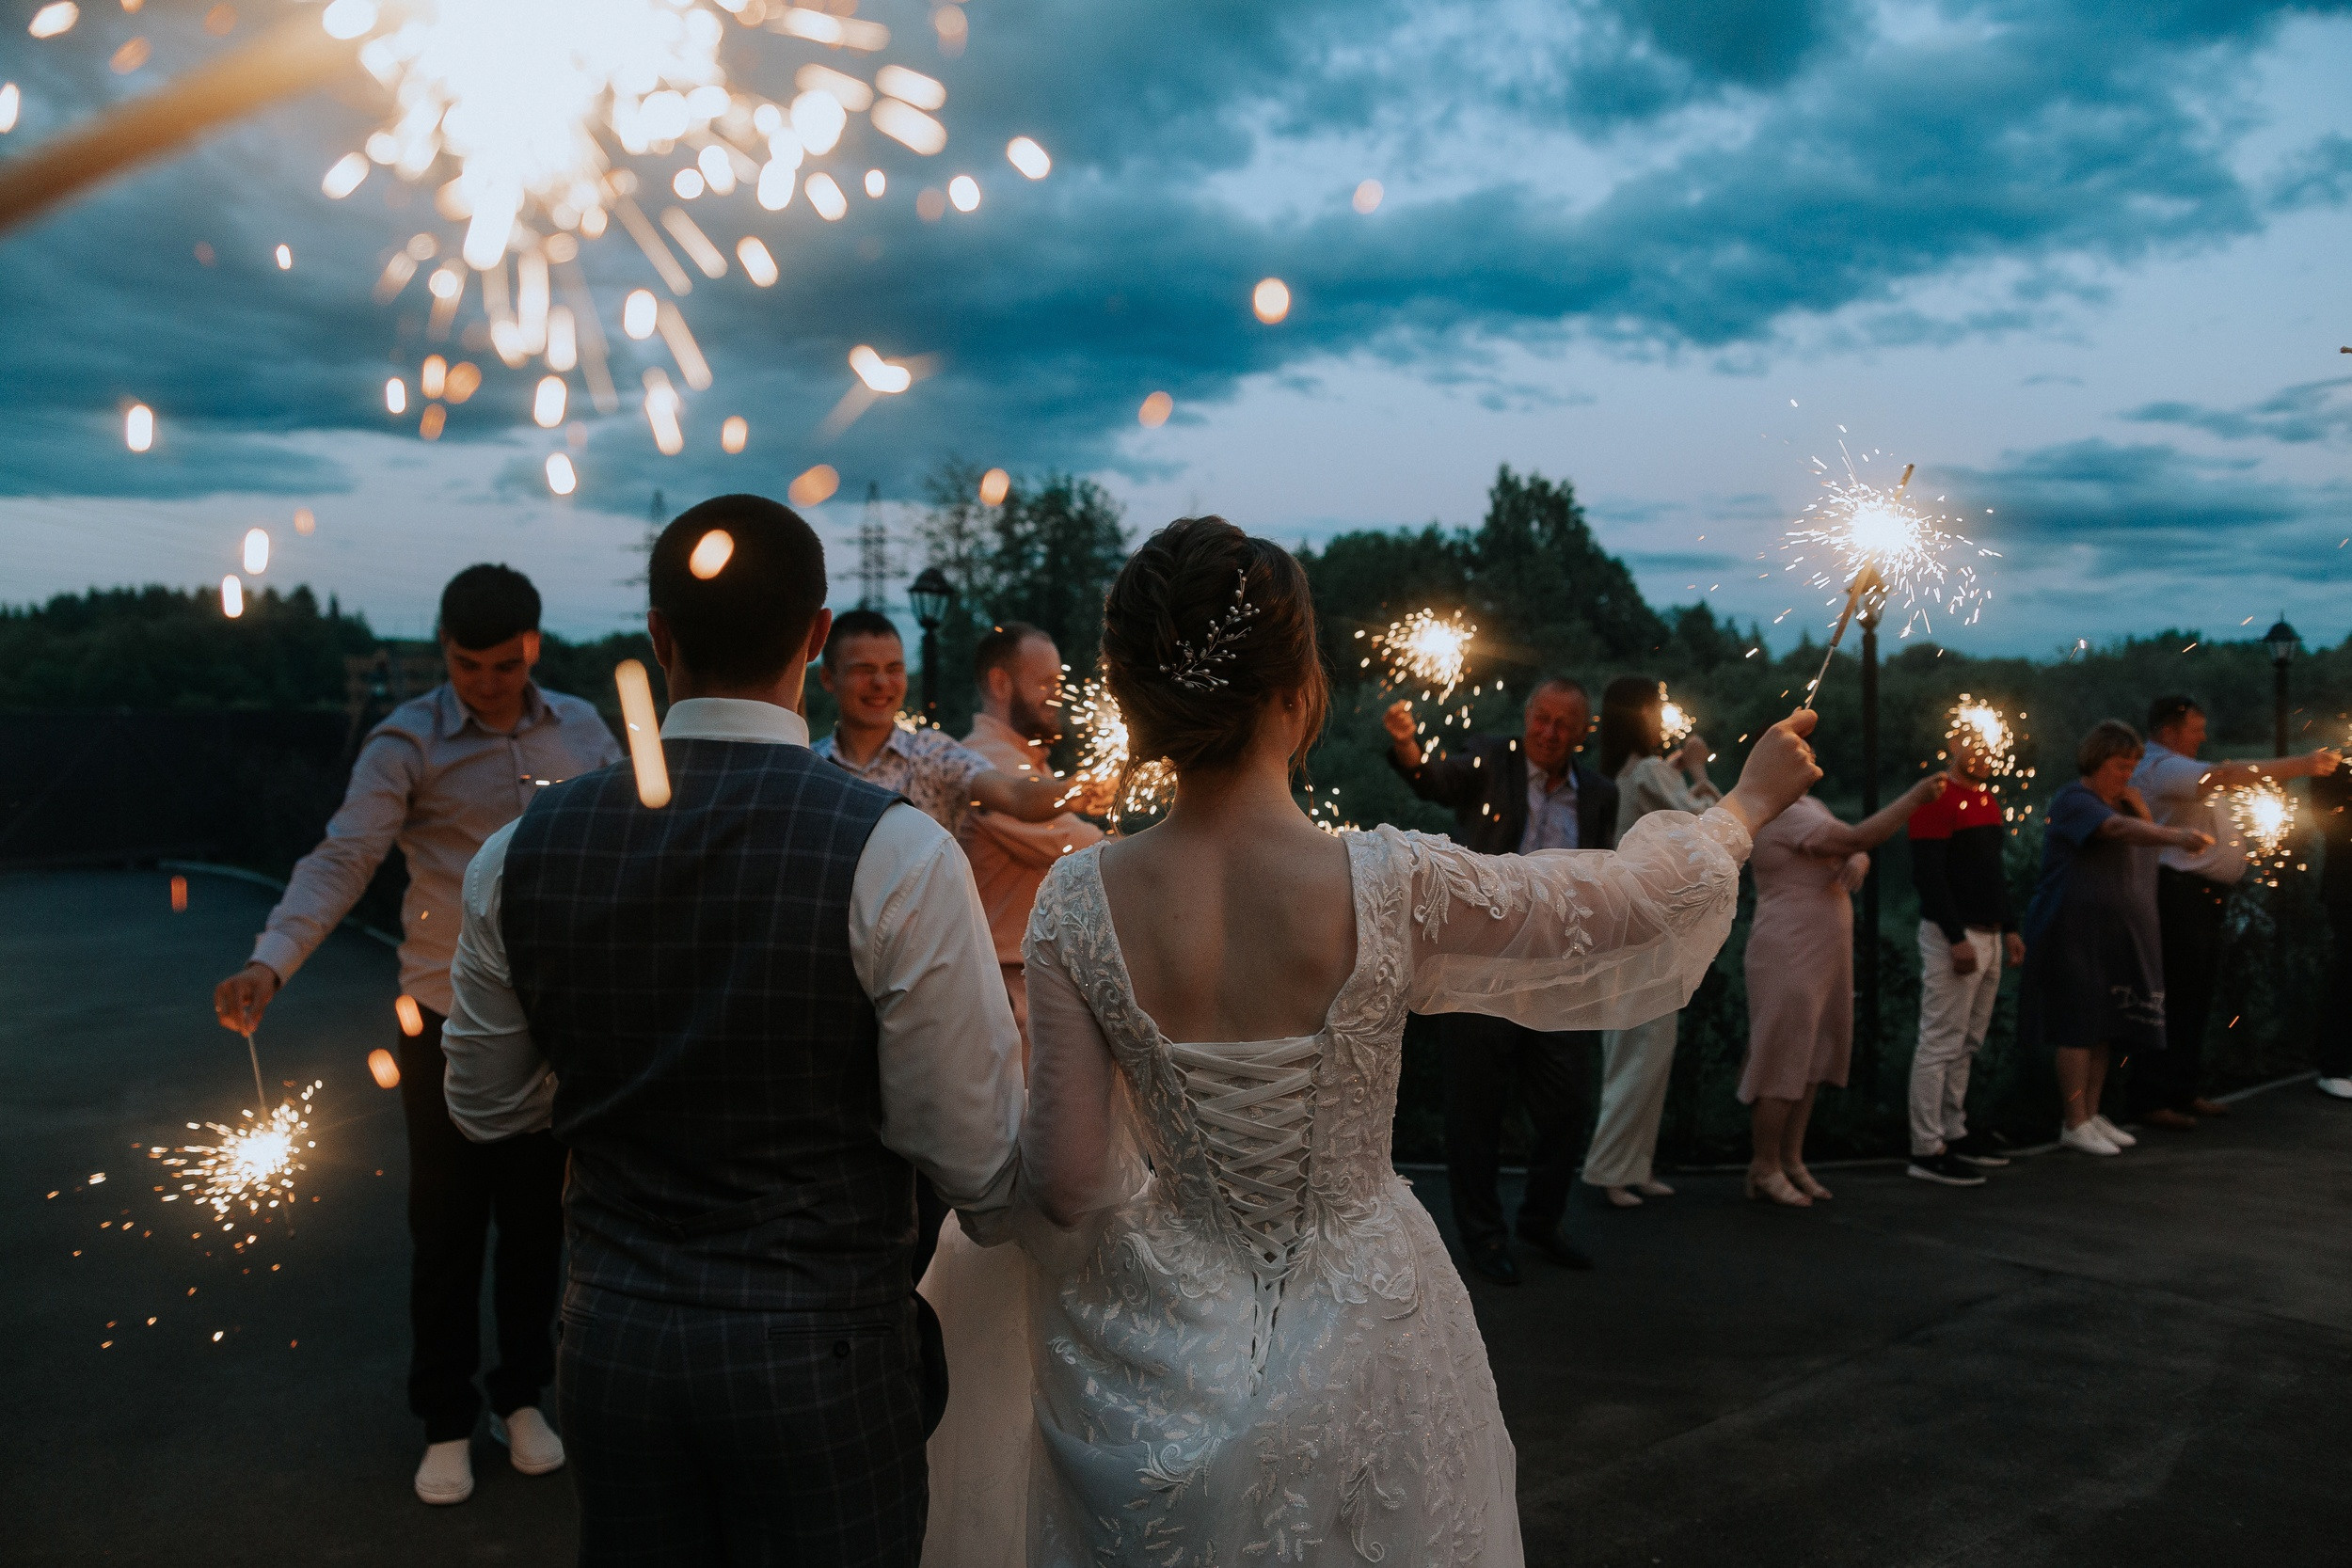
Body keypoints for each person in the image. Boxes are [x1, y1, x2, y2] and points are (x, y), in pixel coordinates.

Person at [920, 515, 1823, 1566]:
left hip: (1157, 1341)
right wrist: (1748, 801)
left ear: (1133, 697)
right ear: (1299, 690)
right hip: (1370, 1322)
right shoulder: (1390, 881)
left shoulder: (1077, 898)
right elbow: (1618, 900)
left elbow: (1069, 1182)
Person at [441, 496, 1025, 1567]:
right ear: (815, 635)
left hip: (615, 1348)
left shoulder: (521, 852)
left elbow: (484, 1105)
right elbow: (974, 1156)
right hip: (826, 1355)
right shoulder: (895, 853)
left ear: (658, 636)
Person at [209, 564, 616, 1506]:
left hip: (561, 1013)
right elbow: (344, 856)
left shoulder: (584, 730)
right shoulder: (407, 741)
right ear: (444, 652)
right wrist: (272, 957)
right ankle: (444, 1415)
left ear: (533, 648)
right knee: (444, 1222)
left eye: (504, 664)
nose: (486, 681)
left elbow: (630, 837)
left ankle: (521, 1395)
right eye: (468, 664)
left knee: (538, 1219)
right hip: (444, 1014)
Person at [1380, 677, 1619, 1281]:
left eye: (1564, 724)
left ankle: (1542, 1221)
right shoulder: (1492, 761)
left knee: (1566, 1109)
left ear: (1583, 735)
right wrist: (1409, 748)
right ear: (1525, 718)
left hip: (1557, 975)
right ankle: (1484, 1239)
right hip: (1481, 970)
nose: (1549, 732)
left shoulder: (1599, 794)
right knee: (1476, 1113)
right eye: (1541, 718)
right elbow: (1435, 781)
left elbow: (1602, 870)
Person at [1740, 768, 1948, 1206]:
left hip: (1821, 950)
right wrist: (1913, 798)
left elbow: (1848, 847)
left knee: (1812, 1056)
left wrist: (1858, 859)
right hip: (1789, 949)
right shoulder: (1776, 812)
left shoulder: (1809, 807)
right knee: (1783, 1055)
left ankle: (1791, 1160)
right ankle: (1764, 1165)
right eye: (1798, 754)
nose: (1810, 762)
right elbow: (1854, 837)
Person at [2128, 696, 2339, 1130]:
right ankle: (2152, 1098)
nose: (2203, 736)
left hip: (2200, 896)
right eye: (2195, 728)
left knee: (2196, 995)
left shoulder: (2180, 766)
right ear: (2168, 731)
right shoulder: (2163, 767)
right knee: (2176, 994)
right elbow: (2225, 773)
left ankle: (2182, 1089)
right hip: (2177, 893)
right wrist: (2303, 763)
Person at [2017, 721, 2213, 1156]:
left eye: (2133, 766)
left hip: (2113, 934)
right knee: (2077, 1026)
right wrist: (2177, 834)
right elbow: (2116, 833)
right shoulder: (2076, 800)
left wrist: (2140, 807)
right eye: (2120, 766)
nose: (2127, 774)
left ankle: (2092, 1112)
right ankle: (2073, 1121)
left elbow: (2140, 845)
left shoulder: (2124, 803)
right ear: (2096, 760)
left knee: (2105, 1025)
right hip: (2073, 931)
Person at [1583, 677, 1721, 1207]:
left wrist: (1683, 768)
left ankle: (1632, 1164)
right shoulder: (1645, 771)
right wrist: (1701, 771)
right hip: (1641, 927)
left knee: (1649, 1048)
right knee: (1636, 1050)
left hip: (1643, 925)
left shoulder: (1634, 770)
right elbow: (1701, 825)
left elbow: (1667, 799)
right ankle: (1608, 1170)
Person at [957, 622, 1108, 1045]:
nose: (1058, 695)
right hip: (1004, 998)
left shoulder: (1028, 761)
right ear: (1000, 683)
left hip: (1028, 987)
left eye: (1060, 682)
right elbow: (1083, 852)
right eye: (1046, 683)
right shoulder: (985, 759)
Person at [814, 607, 1085, 835]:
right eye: (865, 670)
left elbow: (1014, 794)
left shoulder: (933, 755)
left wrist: (1071, 791)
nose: (881, 683)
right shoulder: (810, 764)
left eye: (894, 669)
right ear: (828, 678)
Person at [1904, 719, 2025, 1185]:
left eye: (1991, 747)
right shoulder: (1936, 798)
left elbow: (1992, 872)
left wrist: (2009, 927)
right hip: (1953, 936)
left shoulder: (1986, 800)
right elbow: (1928, 876)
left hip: (1989, 934)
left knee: (1967, 1041)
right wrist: (1955, 937)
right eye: (1974, 745)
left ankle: (1954, 1132)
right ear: (1953, 744)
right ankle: (1925, 1148)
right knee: (1939, 1041)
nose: (1984, 755)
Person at [2312, 760, 2352, 1100]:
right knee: (2348, 976)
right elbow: (2328, 818)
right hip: (2348, 891)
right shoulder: (2337, 771)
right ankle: (2335, 1067)